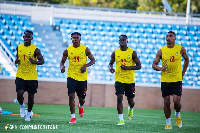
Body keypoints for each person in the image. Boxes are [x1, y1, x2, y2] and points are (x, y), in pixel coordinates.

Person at [152, 31, 189, 129]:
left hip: (177, 79)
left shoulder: (181, 49)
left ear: (175, 38)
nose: (168, 38)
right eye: (167, 36)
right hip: (165, 80)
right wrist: (160, 68)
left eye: (170, 36)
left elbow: (187, 60)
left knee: (176, 101)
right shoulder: (161, 51)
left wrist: (183, 73)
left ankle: (177, 114)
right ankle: (168, 123)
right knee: (167, 101)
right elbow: (153, 64)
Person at [60, 32, 95, 124]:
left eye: (77, 38)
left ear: (80, 39)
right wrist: (61, 67)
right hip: (71, 76)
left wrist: (85, 66)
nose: (75, 39)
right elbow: (62, 62)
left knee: (82, 99)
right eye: (73, 38)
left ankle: (81, 106)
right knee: (71, 96)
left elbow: (93, 60)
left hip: (82, 78)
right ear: (71, 39)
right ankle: (73, 118)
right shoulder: (67, 50)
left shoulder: (85, 49)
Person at [108, 34, 141, 125]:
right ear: (119, 41)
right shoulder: (115, 53)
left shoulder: (132, 53)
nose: (122, 41)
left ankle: (131, 109)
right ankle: (121, 120)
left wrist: (127, 68)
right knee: (119, 97)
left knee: (131, 101)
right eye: (120, 40)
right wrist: (110, 68)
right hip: (119, 79)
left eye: (124, 40)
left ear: (127, 41)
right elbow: (110, 63)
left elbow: (139, 66)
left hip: (130, 80)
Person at [15, 30, 44, 121]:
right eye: (25, 36)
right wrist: (16, 61)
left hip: (32, 77)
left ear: (31, 38)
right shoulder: (19, 47)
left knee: (31, 96)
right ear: (23, 37)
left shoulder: (35, 49)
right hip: (20, 75)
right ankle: (22, 106)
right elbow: (17, 57)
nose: (26, 38)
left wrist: (34, 62)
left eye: (28, 37)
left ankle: (28, 113)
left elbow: (42, 61)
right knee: (19, 94)